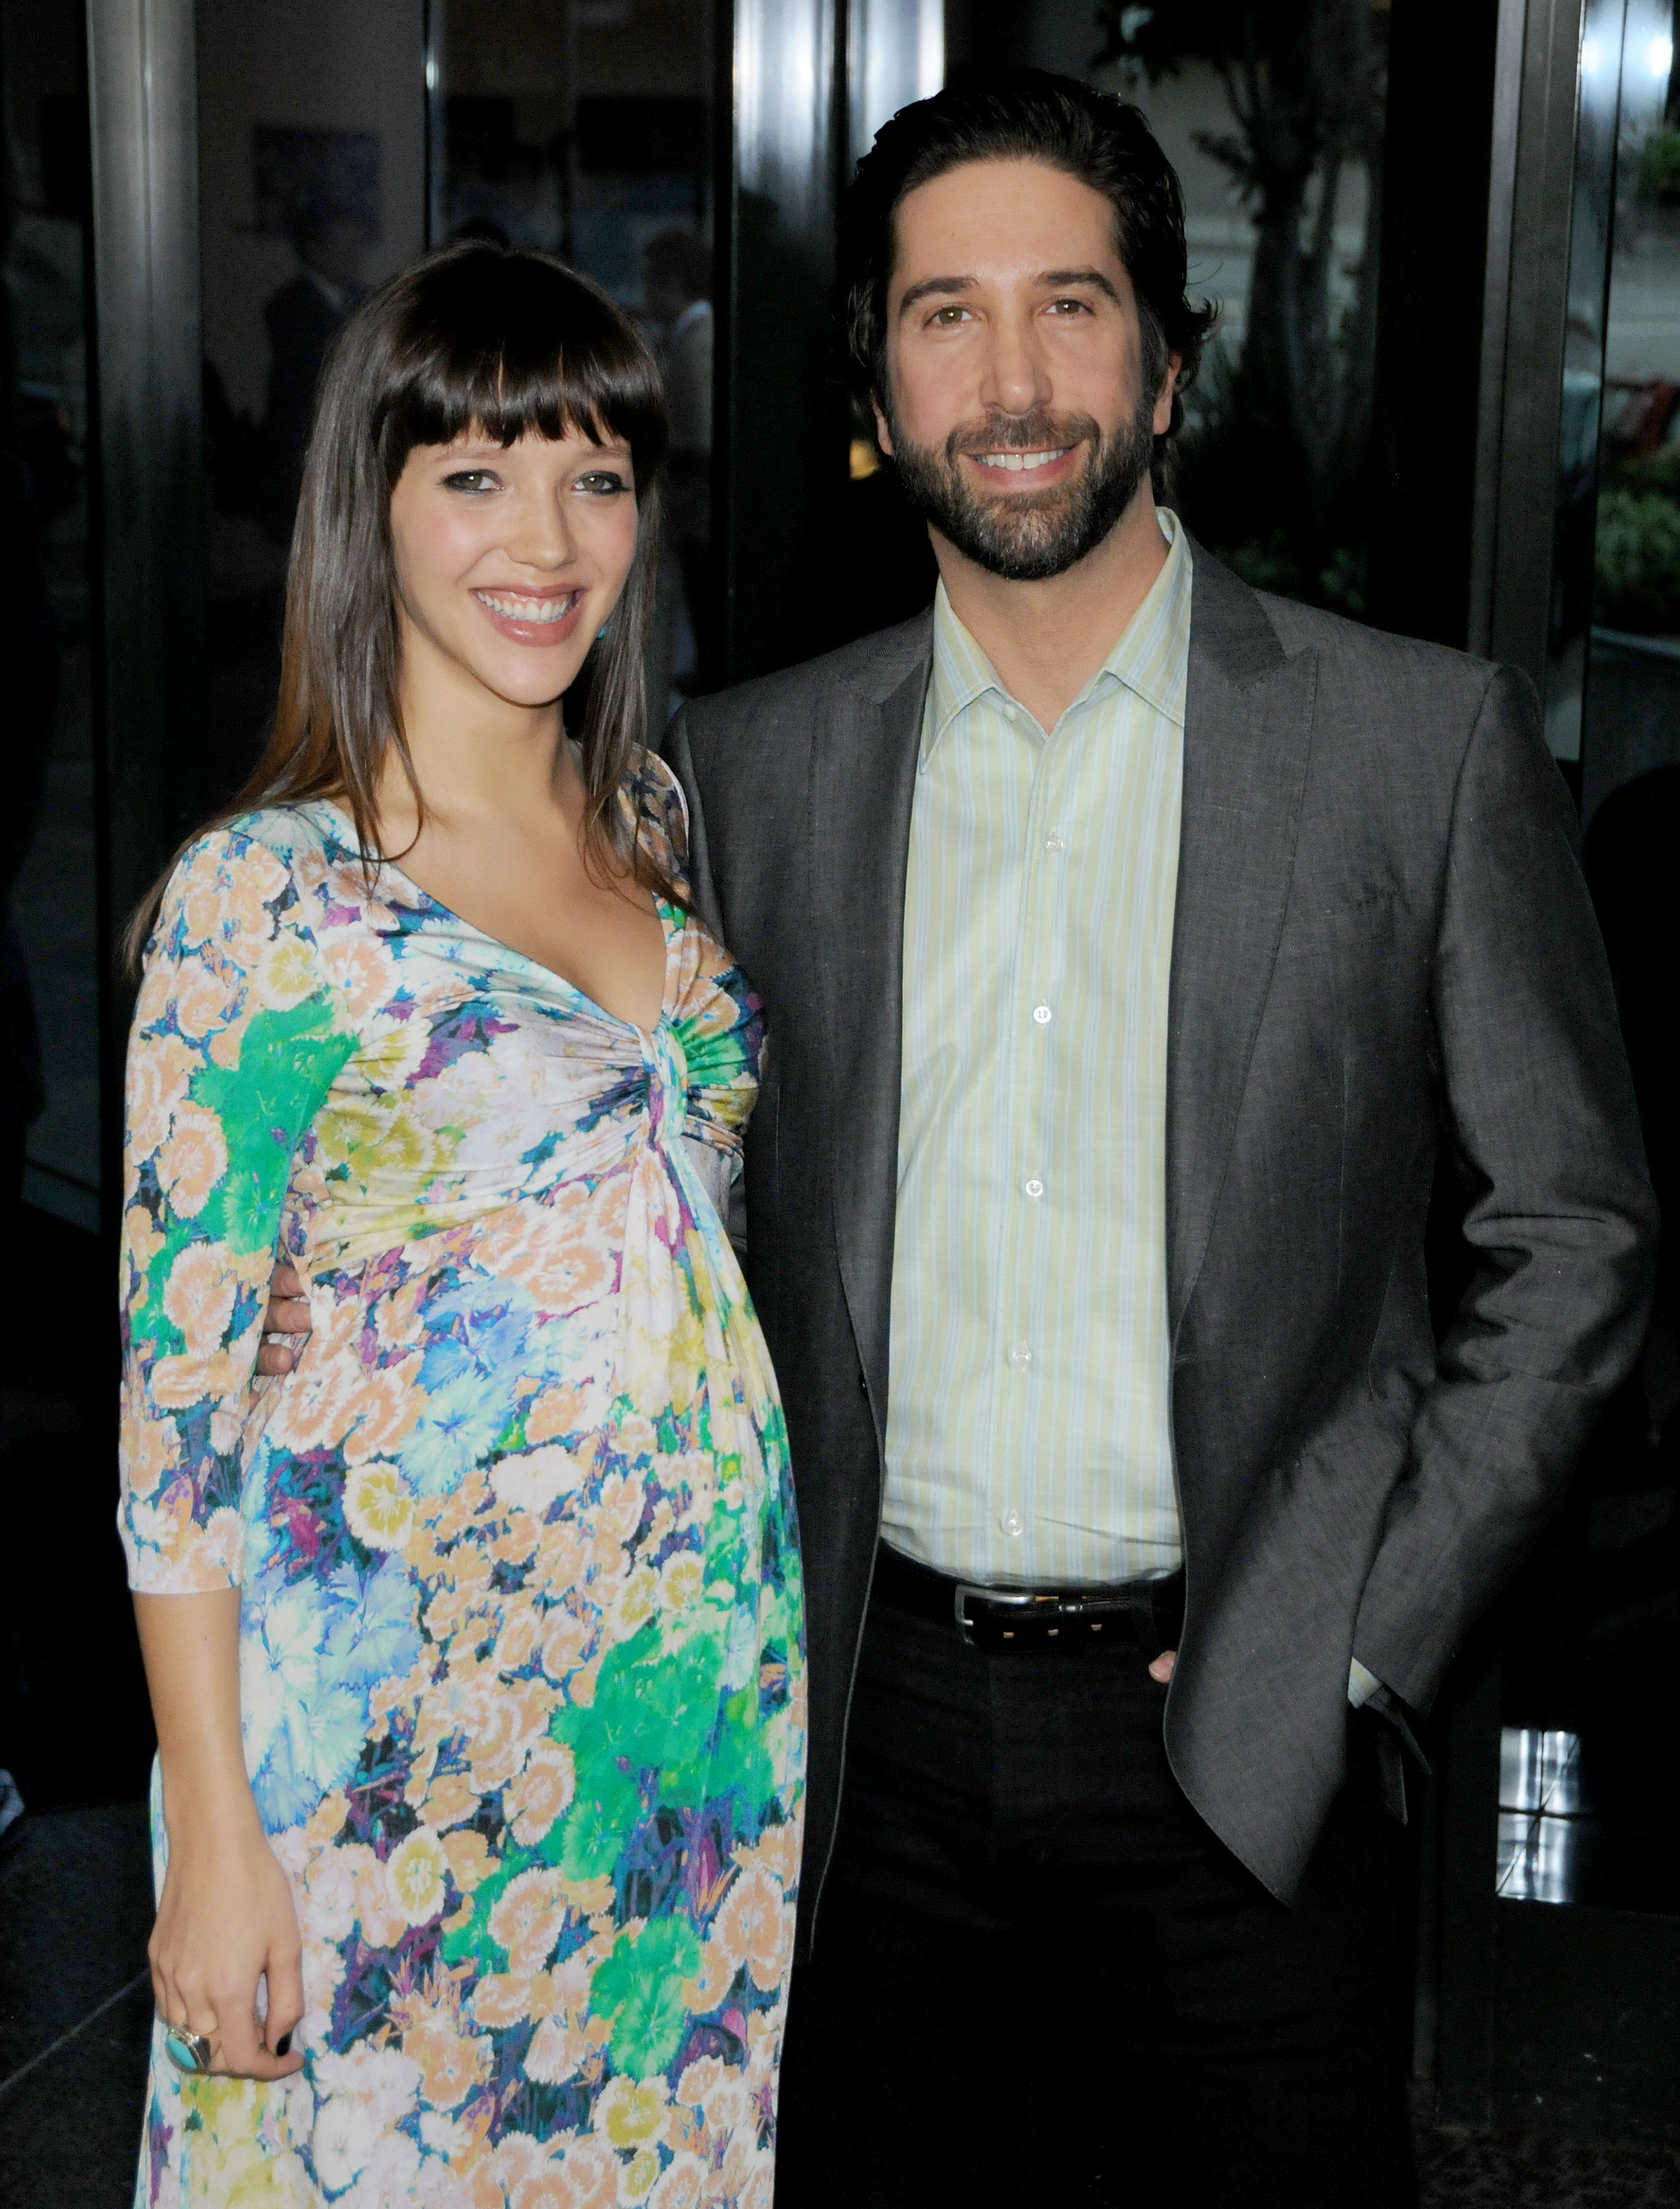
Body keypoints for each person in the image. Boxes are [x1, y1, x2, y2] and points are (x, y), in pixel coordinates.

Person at [260, 76, 1658, 2207]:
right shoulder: (742, 778)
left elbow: (1570, 1232)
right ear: (872, 384)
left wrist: (1369, 1631)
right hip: (852, 1744)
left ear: (1167, 366)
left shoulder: (1412, 746)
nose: (1009, 383)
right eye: (943, 317)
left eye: (1070, 310)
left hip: (1246, 1738)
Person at [121, 241, 803, 2206]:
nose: (547, 536)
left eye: (596, 476)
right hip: (386, 1761)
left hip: (682, 1735)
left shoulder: (654, 831)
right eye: (478, 474)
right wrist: (217, 1840)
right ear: (376, 507)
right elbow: (174, 1431)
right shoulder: (266, 903)